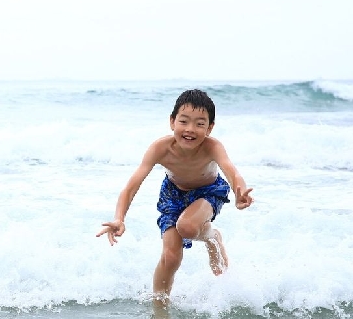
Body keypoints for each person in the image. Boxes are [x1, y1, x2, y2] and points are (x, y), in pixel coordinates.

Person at [96, 89, 254, 306]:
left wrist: (239, 192)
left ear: (209, 128)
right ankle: (160, 306)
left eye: (200, 124)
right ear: (172, 122)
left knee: (187, 227)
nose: (190, 129)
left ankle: (211, 236)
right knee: (171, 257)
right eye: (184, 121)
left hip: (208, 191)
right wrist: (119, 218)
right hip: (173, 193)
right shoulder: (160, 148)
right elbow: (131, 187)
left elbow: (231, 171)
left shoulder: (213, 147)